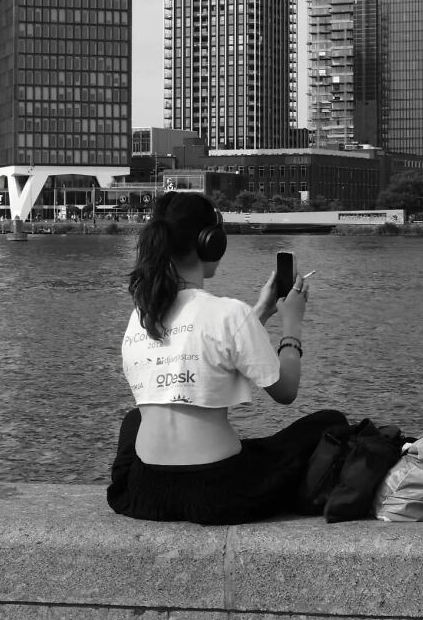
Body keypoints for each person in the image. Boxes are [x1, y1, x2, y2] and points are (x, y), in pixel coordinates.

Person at [106, 191, 347, 524]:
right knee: (330, 422)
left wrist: (261, 311)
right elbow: (286, 391)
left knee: (136, 419)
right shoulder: (229, 314)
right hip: (218, 492)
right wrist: (293, 323)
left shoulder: (142, 315)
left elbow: (209, 347)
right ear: (210, 242)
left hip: (147, 491)